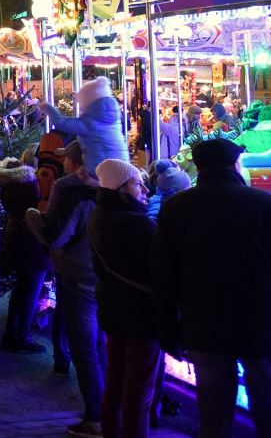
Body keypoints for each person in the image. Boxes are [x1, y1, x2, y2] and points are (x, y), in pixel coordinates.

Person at [155, 138, 271, 437]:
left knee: (213, 414)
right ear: (234, 164)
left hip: (204, 324)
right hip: (263, 323)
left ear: (199, 167)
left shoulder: (176, 208)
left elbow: (165, 274)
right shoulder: (268, 205)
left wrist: (168, 328)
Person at [26, 140, 106, 437]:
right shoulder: (111, 186)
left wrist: (32, 216)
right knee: (100, 344)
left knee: (85, 348)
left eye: (66, 159)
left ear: (74, 163)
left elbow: (55, 236)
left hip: (77, 274)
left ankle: (96, 417)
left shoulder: (70, 190)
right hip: (104, 276)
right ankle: (110, 409)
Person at [89, 159, 160, 438]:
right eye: (136, 183)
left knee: (117, 382)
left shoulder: (100, 215)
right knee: (138, 389)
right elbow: (159, 266)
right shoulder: (136, 223)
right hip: (140, 313)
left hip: (113, 308)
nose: (144, 189)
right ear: (121, 189)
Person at [0, 157, 51, 354]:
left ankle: (12, 333)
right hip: (30, 240)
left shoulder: (8, 183)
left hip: (16, 236)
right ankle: (21, 336)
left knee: (22, 289)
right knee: (30, 291)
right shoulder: (28, 184)